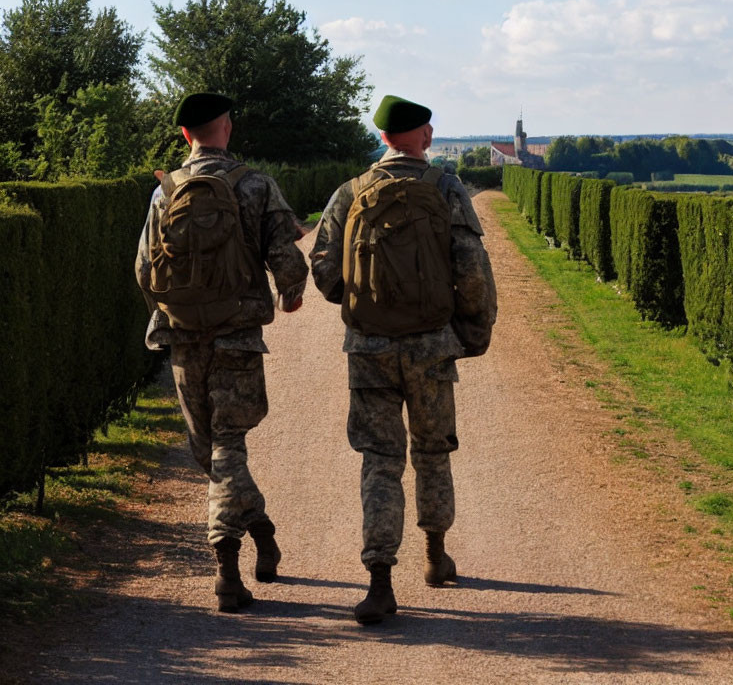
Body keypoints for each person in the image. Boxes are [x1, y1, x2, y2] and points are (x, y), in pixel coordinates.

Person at [311, 94, 497, 625]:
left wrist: (361, 304)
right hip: (431, 347)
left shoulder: (351, 192)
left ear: (384, 138)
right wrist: (472, 332)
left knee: (380, 461)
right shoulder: (445, 187)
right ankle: (436, 557)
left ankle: (379, 580)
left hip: (368, 350)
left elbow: (323, 267)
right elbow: (472, 268)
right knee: (432, 453)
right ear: (425, 136)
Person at [135, 92, 308, 613]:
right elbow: (286, 255)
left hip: (184, 338)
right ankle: (231, 558)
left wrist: (170, 311)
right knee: (227, 447)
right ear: (226, 128)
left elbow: (144, 269)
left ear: (186, 135)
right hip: (237, 334)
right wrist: (290, 291)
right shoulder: (255, 184)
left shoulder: (166, 192)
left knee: (211, 448)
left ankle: (248, 547)